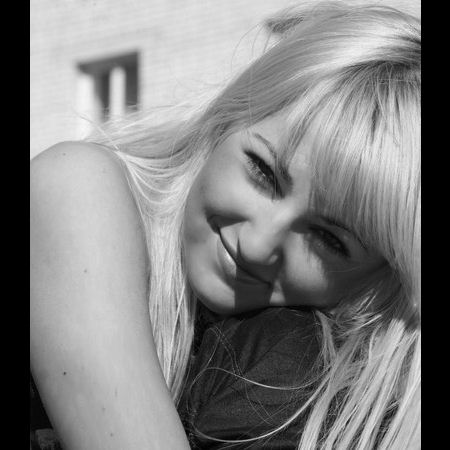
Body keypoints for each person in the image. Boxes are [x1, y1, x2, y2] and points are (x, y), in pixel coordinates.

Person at [30, 1, 421, 449]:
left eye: (327, 239)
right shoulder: (78, 187)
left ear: (376, 280)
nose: (257, 245)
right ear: (228, 118)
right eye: (262, 172)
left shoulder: (299, 363)